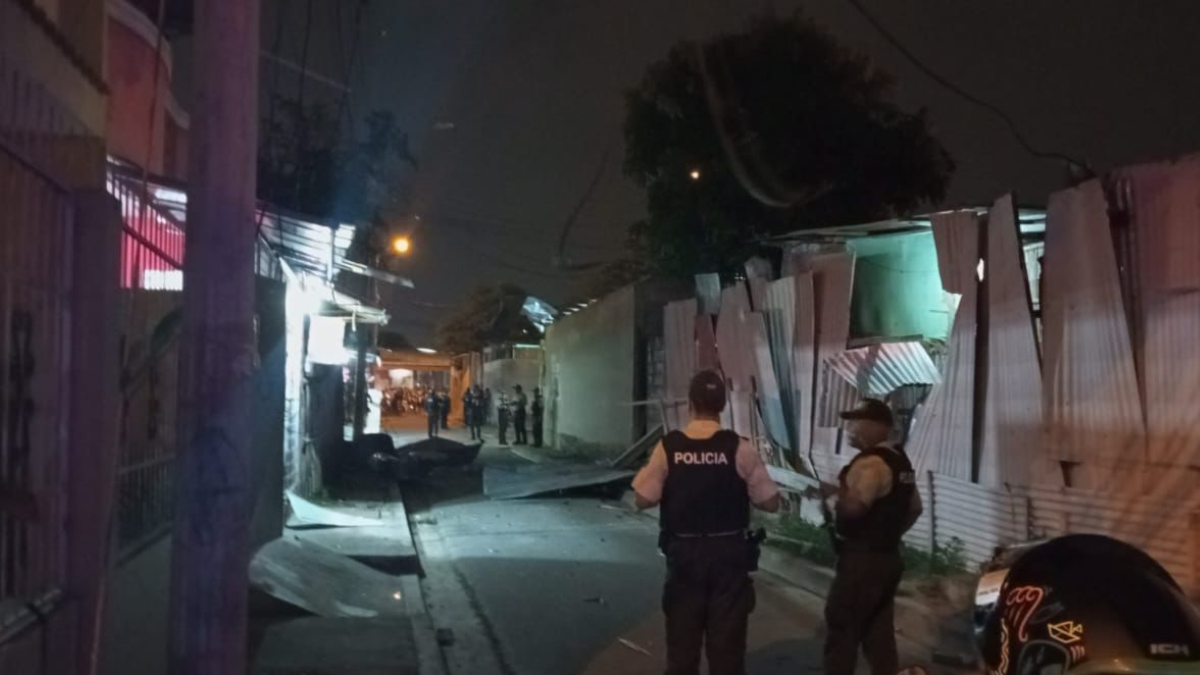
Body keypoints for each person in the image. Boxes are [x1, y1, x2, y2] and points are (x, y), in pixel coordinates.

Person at [632, 370, 781, 675]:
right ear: (723, 406)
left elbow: (642, 499)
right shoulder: (739, 447)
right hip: (729, 556)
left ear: (690, 404)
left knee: (682, 646)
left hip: (685, 556)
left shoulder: (669, 447)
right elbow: (770, 502)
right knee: (727, 647)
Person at [817, 398, 922, 675]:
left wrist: (832, 497)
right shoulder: (901, 463)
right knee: (879, 636)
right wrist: (888, 535)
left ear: (878, 426)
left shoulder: (871, 464)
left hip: (860, 562)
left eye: (856, 422)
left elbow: (855, 507)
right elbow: (915, 509)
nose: (850, 428)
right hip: (888, 559)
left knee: (843, 631)